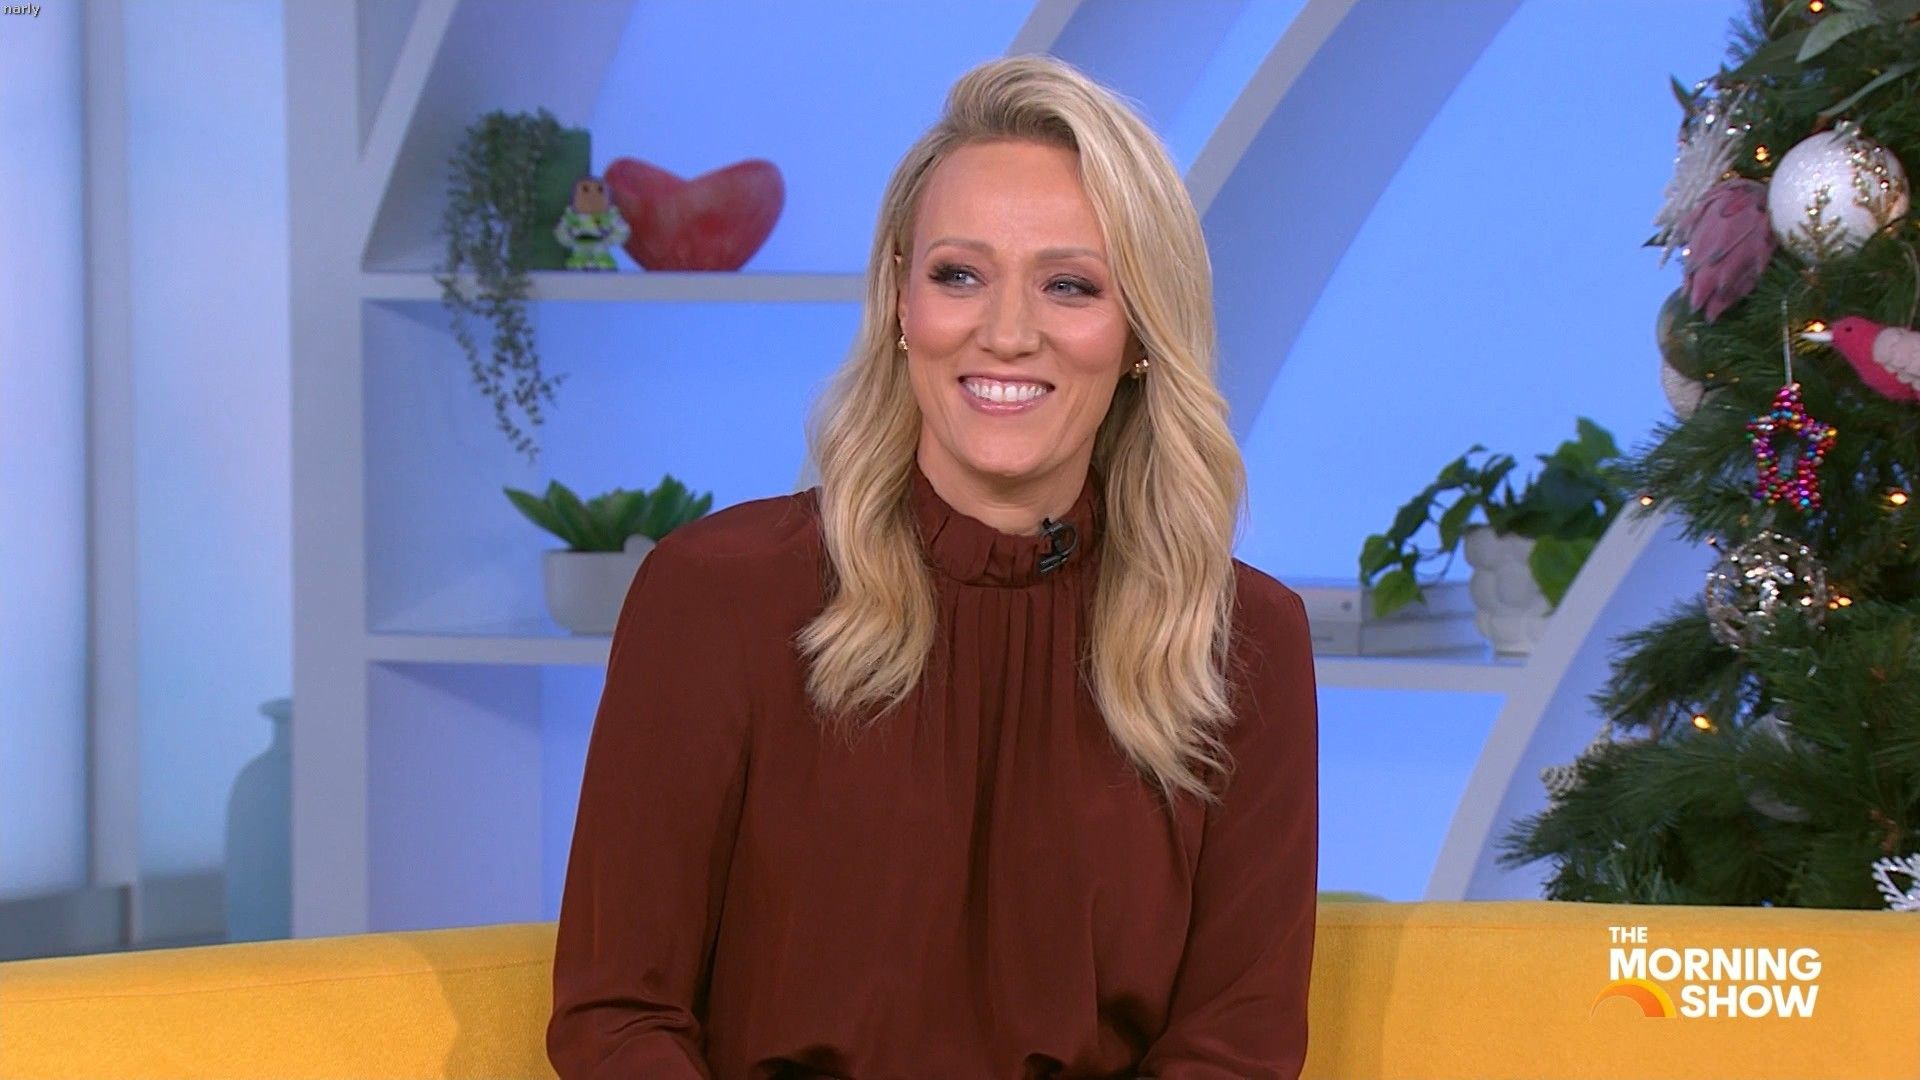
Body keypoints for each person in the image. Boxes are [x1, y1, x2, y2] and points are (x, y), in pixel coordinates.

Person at [547, 53, 1319, 1080]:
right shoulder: (716, 596)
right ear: (900, 302)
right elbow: (616, 1019)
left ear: (1139, 331)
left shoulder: (1242, 642)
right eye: (959, 275)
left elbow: (1236, 1048)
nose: (1006, 333)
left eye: (1070, 285)